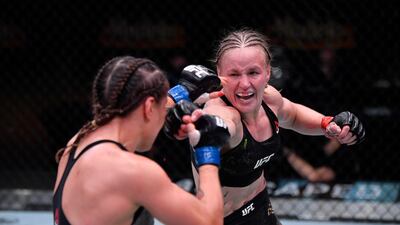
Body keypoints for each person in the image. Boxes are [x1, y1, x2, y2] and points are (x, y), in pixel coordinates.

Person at [183, 28, 365, 225]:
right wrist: (206, 128)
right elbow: (220, 125)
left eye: (253, 72)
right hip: (222, 220)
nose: (245, 84)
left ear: (268, 72)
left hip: (261, 207)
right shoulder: (223, 113)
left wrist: (328, 123)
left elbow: (293, 115)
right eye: (234, 74)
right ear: (219, 74)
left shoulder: (269, 99)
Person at [52, 56, 230, 225]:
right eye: (161, 109)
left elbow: (134, 108)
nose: (163, 117)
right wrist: (207, 147)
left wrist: (180, 94)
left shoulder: (79, 140)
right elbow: (210, 221)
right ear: (149, 106)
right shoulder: (135, 173)